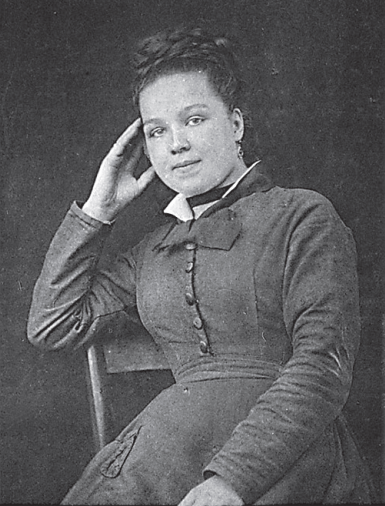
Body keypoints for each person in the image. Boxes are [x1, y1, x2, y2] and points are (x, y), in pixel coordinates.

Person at [27, 26, 375, 505]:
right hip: (164, 453)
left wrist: (231, 481)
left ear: (235, 125)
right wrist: (97, 210)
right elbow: (52, 324)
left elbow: (321, 365)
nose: (176, 144)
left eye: (193, 120)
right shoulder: (152, 251)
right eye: (157, 130)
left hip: (286, 461)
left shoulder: (302, 216)